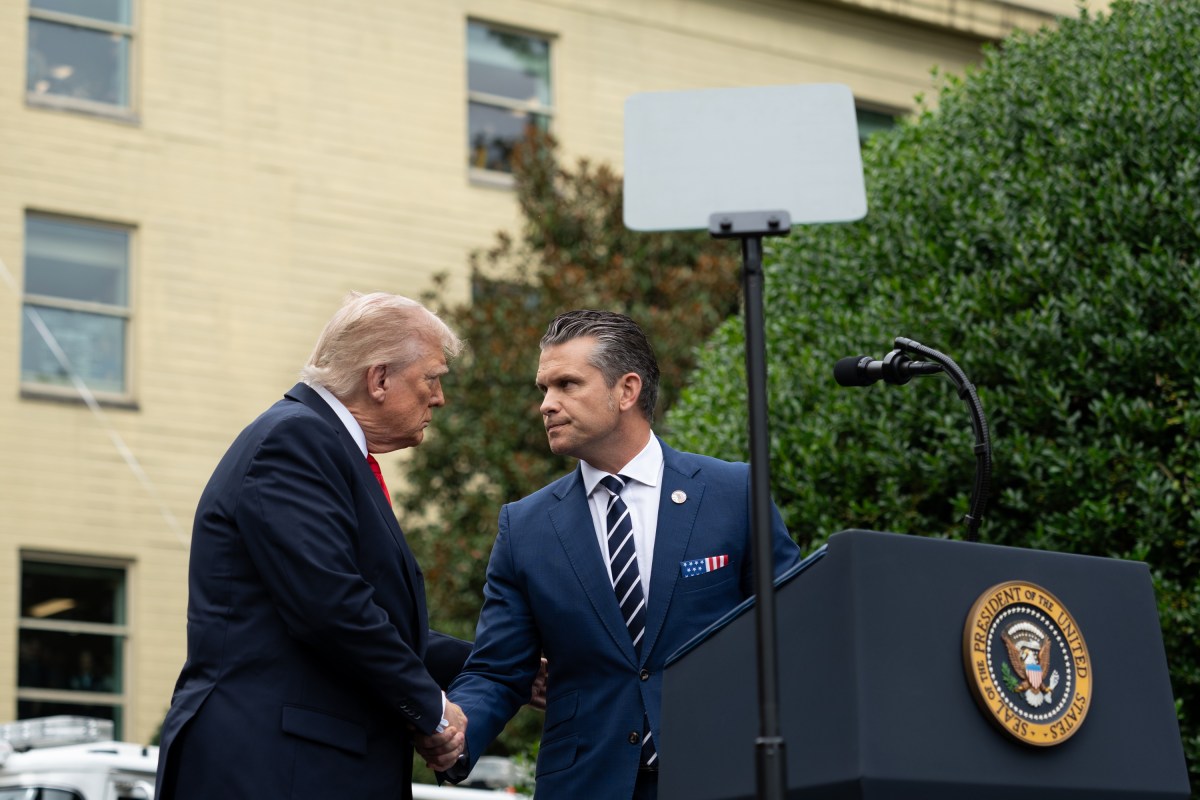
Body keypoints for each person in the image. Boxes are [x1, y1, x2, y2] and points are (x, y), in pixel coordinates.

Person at [445, 310, 803, 799]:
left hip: (722, 776)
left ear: (627, 390)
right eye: (543, 389)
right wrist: (455, 733)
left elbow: (794, 632)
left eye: (567, 384)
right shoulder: (524, 527)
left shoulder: (732, 493)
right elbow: (497, 669)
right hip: (585, 784)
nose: (547, 405)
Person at [156, 292, 472, 799]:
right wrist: (434, 713)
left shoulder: (319, 444)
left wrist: (500, 668)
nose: (439, 398)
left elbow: (365, 616)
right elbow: (331, 607)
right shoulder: (295, 441)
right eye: (432, 378)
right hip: (273, 770)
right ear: (380, 378)